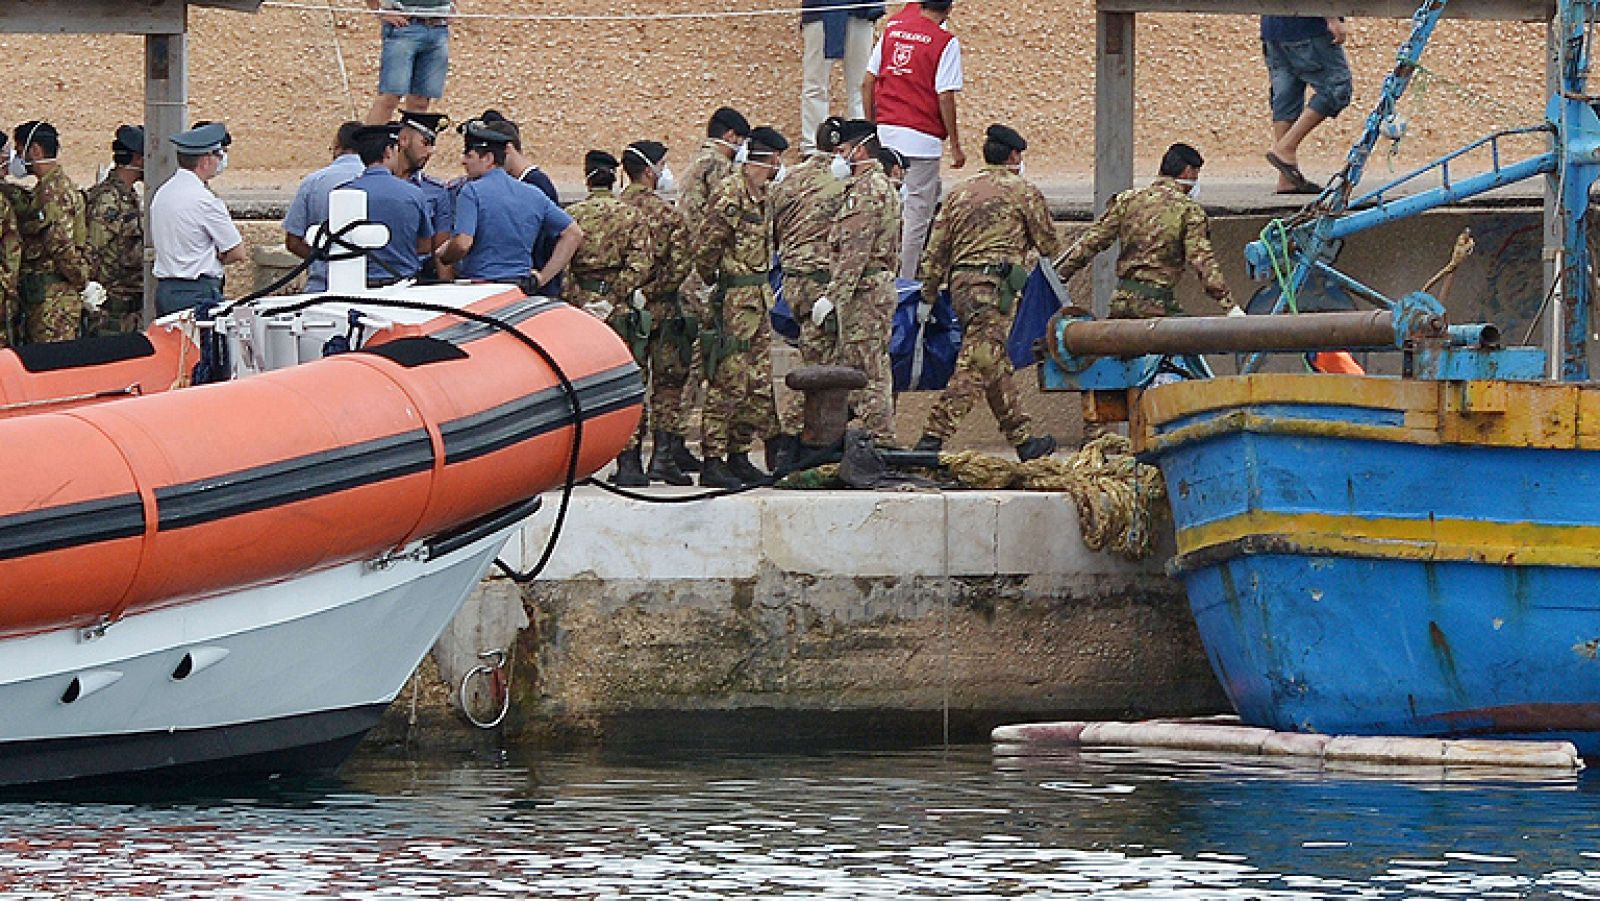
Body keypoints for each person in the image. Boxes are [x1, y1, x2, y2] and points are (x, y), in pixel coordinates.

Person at [911, 124, 1058, 462]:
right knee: (978, 363)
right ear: (1014, 156)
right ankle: (931, 439)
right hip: (995, 291)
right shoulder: (1024, 192)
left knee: (994, 362)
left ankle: (1024, 440)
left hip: (961, 290)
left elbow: (935, 252)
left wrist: (928, 295)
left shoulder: (959, 193)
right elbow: (1049, 243)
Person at [692, 126, 789, 490]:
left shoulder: (762, 194)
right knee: (727, 380)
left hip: (758, 299)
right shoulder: (731, 193)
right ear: (770, 158)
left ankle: (738, 453)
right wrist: (715, 284)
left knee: (756, 383)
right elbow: (707, 246)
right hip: (734, 301)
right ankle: (713, 459)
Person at [1054, 142, 1238, 320]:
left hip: (1121, 302)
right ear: (1188, 171)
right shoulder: (1188, 211)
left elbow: (1092, 241)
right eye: (1196, 174)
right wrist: (1229, 306)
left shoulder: (1128, 200)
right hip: (1157, 306)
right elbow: (1202, 261)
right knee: (1191, 347)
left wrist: (1062, 275)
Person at [563, 149, 655, 486]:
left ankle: (581, 462)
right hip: (619, 310)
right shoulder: (630, 216)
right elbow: (642, 264)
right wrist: (612, 296)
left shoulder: (572, 216)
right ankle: (629, 462)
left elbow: (565, 265)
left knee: (579, 384)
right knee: (628, 382)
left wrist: (580, 302)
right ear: (615, 177)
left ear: (587, 176)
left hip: (580, 313)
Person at [863, 0, 965, 281]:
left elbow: (868, 81)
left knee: (882, 207)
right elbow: (945, 95)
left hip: (886, 133)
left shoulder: (893, 28)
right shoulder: (945, 42)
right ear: (949, 9)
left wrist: (871, 126)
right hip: (922, 138)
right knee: (915, 217)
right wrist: (955, 144)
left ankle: (876, 274)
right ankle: (903, 284)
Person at [769, 116, 850, 460]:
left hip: (793, 282)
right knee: (821, 364)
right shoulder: (844, 182)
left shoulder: (789, 180)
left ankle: (804, 440)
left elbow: (770, 231)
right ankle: (794, 442)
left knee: (814, 356)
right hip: (823, 287)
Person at [619, 140, 697, 486]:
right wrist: (653, 292)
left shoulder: (615, 210)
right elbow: (682, 264)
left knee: (630, 386)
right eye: (663, 164)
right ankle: (662, 458)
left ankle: (628, 462)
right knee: (667, 386)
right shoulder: (668, 214)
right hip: (664, 314)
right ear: (650, 170)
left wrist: (631, 293)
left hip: (625, 316)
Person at [821, 119, 901, 445]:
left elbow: (856, 251)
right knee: (872, 366)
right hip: (874, 289)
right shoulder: (880, 186)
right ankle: (876, 438)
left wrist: (833, 297)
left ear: (860, 149)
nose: (839, 159)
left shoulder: (866, 191)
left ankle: (880, 441)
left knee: (868, 372)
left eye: (842, 151)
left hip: (864, 292)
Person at [437, 120, 582, 285]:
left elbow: (463, 243)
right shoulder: (533, 193)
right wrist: (541, 279)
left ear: (488, 158)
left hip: (481, 287)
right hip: (519, 290)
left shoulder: (471, 192)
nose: (463, 161)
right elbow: (573, 233)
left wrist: (445, 254)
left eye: (469, 156)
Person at [11, 121, 96, 344]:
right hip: (47, 299)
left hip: (54, 304)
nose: (18, 160)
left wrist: (83, 283)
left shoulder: (52, 193)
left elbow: (61, 246)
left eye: (20, 152)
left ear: (35, 150)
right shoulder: (48, 188)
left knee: (52, 364)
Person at [149, 122, 245, 316]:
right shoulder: (205, 200)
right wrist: (217, 256)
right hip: (197, 292)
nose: (221, 160)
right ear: (205, 160)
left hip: (167, 291)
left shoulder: (163, 193)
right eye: (218, 154)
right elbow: (237, 252)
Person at [1262, 15, 1353, 193]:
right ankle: (1285, 148)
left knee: (1286, 95)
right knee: (1338, 88)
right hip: (1308, 26)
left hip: (1272, 27)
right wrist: (1332, 17)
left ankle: (1287, 177)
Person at [479, 111, 565, 296]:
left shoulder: (536, 184)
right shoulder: (519, 184)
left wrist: (542, 277)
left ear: (508, 149)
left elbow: (565, 235)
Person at [342, 123, 433, 286]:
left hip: (355, 286)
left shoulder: (343, 193)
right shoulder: (413, 194)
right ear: (388, 151)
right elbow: (425, 245)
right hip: (403, 285)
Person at [284, 122, 365, 292]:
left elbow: (293, 242)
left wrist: (323, 259)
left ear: (337, 146)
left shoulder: (313, 182)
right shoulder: (380, 180)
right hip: (371, 287)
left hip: (321, 287)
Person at [800, 1, 886, 154]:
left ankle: (861, 144)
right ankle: (813, 147)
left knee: (860, 85)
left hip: (859, 9)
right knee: (815, 83)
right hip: (821, 9)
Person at [84, 124, 145, 335]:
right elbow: (93, 253)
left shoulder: (128, 197)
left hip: (130, 313)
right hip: (111, 316)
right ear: (138, 159)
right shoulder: (108, 201)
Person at [365, 0, 453, 125]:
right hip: (404, 26)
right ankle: (370, 143)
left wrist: (452, 6)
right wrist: (379, 10)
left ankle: (412, 143)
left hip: (439, 28)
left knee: (421, 101)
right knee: (390, 97)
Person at [393, 110, 454, 279]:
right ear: (404, 139)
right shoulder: (377, 184)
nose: (430, 151)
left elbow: (441, 249)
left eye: (432, 145)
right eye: (425, 143)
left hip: (418, 280)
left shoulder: (436, 191)